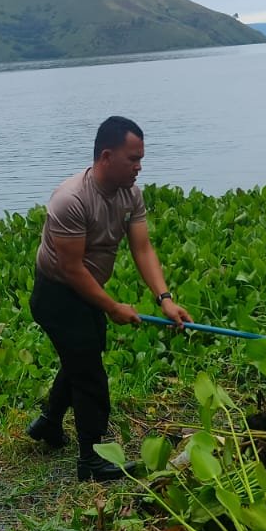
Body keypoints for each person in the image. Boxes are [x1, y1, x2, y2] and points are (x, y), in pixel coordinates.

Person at [27, 116, 193, 480]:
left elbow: (142, 249)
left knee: (82, 357)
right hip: (56, 294)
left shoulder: (131, 195)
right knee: (89, 374)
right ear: (106, 156)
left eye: (140, 159)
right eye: (133, 159)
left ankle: (49, 423)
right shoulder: (71, 199)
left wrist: (165, 298)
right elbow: (72, 269)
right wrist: (113, 307)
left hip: (86, 292)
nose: (139, 167)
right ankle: (91, 460)